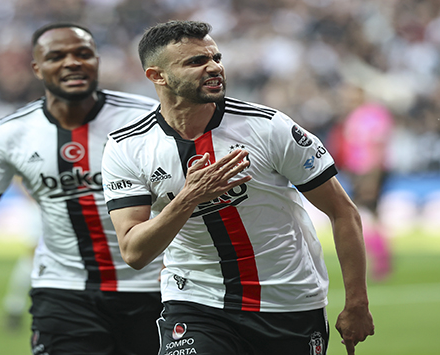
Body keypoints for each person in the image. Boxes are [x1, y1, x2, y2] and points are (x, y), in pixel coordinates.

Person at [102, 20, 374, 355]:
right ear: (157, 76)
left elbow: (342, 211)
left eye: (215, 57)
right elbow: (134, 252)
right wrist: (188, 198)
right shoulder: (127, 147)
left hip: (287, 303)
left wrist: (357, 302)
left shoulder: (269, 128)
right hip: (195, 302)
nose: (214, 67)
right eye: (195, 62)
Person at [0, 23, 163, 355]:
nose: (72, 62)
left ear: (97, 61)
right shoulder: (9, 133)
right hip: (64, 290)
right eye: (57, 56)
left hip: (155, 288)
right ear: (37, 67)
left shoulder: (148, 118)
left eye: (83, 54)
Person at [328, 85, 394, 281]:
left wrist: (371, 179)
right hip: (357, 171)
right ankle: (380, 258)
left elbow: (378, 146)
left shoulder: (374, 115)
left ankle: (381, 259)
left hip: (370, 171)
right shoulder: (354, 116)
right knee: (368, 214)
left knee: (366, 214)